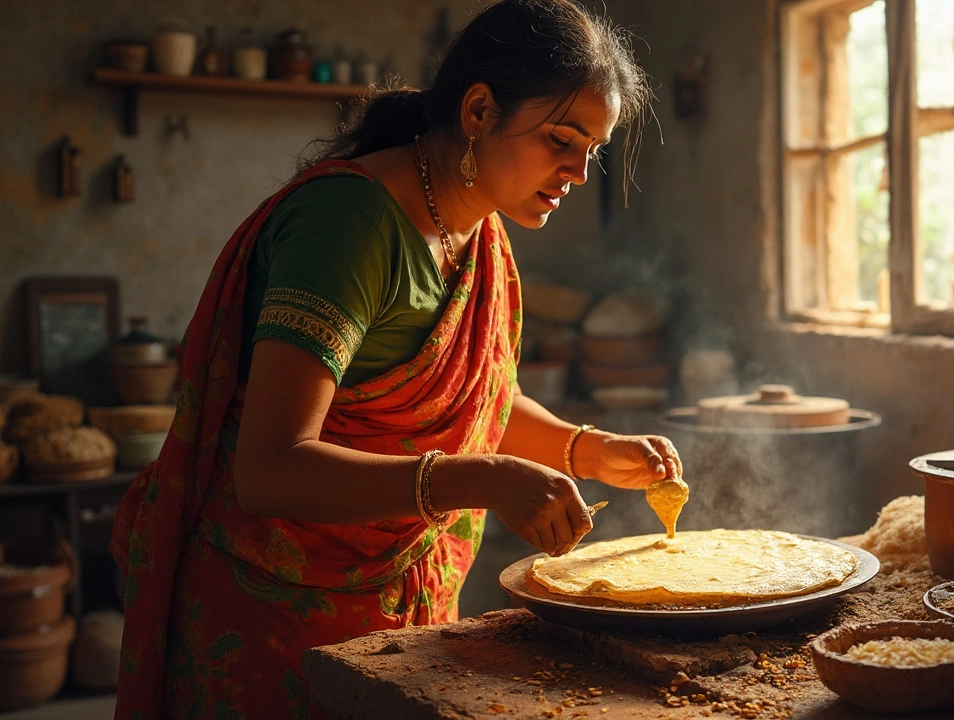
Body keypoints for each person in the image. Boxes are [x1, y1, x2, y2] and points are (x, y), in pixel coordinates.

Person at [108, 1, 667, 717]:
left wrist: (586, 450)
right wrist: (484, 480)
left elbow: (479, 403)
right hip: (277, 615)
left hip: (403, 605)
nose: (579, 172)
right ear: (478, 110)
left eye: (594, 149)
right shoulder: (348, 225)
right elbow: (271, 468)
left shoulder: (477, 230)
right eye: (563, 139)